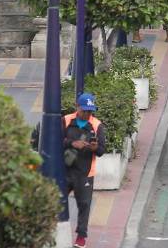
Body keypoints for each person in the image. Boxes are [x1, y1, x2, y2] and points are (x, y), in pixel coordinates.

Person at [62, 93, 106, 248]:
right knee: (57, 200)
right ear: (77, 107)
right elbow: (56, 140)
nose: (87, 114)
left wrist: (95, 148)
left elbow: (101, 150)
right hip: (65, 169)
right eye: (84, 110)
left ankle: (81, 236)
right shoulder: (66, 120)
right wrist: (72, 143)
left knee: (84, 205)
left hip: (85, 172)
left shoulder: (97, 126)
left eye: (90, 111)